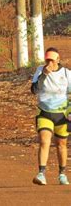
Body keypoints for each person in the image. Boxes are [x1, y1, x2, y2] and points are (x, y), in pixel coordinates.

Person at [30, 48, 70, 186]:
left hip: (62, 115)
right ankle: (41, 174)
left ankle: (62, 174)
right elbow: (34, 90)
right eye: (47, 60)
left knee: (61, 144)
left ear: (58, 60)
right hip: (44, 112)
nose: (49, 62)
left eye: (52, 60)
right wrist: (44, 75)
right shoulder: (40, 70)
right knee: (44, 140)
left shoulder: (66, 73)